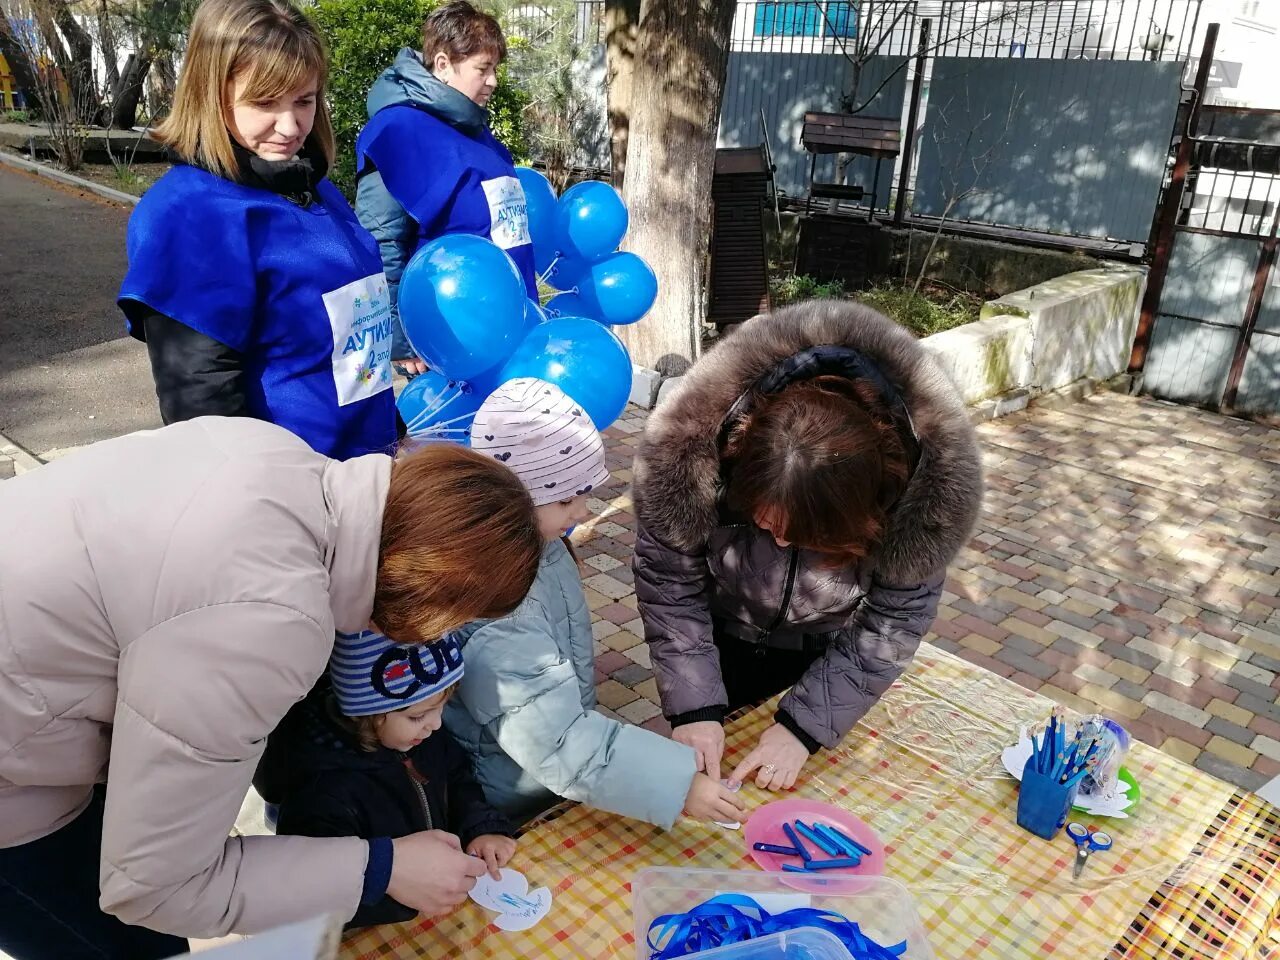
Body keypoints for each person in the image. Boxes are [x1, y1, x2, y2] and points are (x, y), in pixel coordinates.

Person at [0, 417, 542, 959]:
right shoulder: (270, 622)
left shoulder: (276, 453)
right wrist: (383, 868)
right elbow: (159, 886)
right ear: (430, 602)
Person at [632, 300, 984, 793]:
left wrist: (803, 729)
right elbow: (670, 585)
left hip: (828, 655)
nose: (777, 541)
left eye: (800, 535)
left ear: (858, 515)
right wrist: (695, 706)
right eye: (763, 523)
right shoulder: (690, 460)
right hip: (717, 640)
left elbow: (894, 621)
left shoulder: (921, 497)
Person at [444, 379, 746, 829]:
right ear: (513, 498)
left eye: (584, 493)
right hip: (514, 792)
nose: (584, 511)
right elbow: (558, 741)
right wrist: (679, 784)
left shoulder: (540, 545)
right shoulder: (499, 613)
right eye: (567, 498)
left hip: (553, 774)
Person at [118, 0, 397, 460]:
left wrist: (392, 428)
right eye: (264, 102)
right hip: (293, 493)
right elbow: (203, 408)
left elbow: (356, 345)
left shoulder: (312, 186)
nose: (290, 128)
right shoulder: (189, 215)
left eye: (304, 101)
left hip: (364, 473)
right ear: (212, 95)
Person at [276, 631, 514, 928]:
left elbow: (457, 779)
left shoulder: (421, 739)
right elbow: (318, 894)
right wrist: (401, 892)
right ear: (367, 714)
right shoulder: (321, 793)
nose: (436, 724)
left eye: (442, 706)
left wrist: (481, 828)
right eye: (418, 716)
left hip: (439, 904)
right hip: (379, 929)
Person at [355, 1, 537, 375]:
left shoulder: (478, 133)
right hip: (448, 341)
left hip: (506, 330)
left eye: (495, 69)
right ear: (442, 64)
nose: (493, 81)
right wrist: (402, 340)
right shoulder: (399, 131)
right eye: (483, 69)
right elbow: (381, 241)